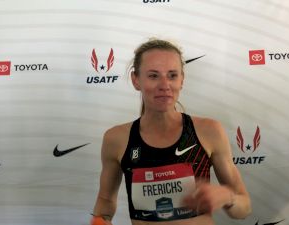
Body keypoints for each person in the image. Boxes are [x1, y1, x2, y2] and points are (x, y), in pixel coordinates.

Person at [91, 38, 251, 225]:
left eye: (172, 75)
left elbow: (243, 209)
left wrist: (227, 197)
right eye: (153, 75)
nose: (164, 85)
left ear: (182, 80)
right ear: (136, 80)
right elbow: (105, 203)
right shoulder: (116, 138)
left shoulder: (209, 131)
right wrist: (100, 221)